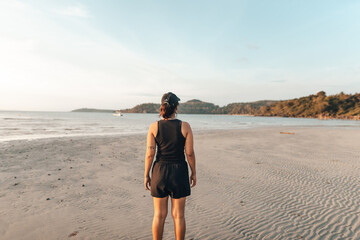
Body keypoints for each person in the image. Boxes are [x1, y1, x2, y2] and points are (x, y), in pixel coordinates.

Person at [144, 92, 197, 240]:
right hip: (179, 172)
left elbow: (150, 154)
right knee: (179, 216)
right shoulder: (185, 126)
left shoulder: (154, 127)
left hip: (159, 172)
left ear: (162, 107)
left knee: (159, 215)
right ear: (176, 108)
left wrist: (146, 174)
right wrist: (193, 172)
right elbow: (190, 153)